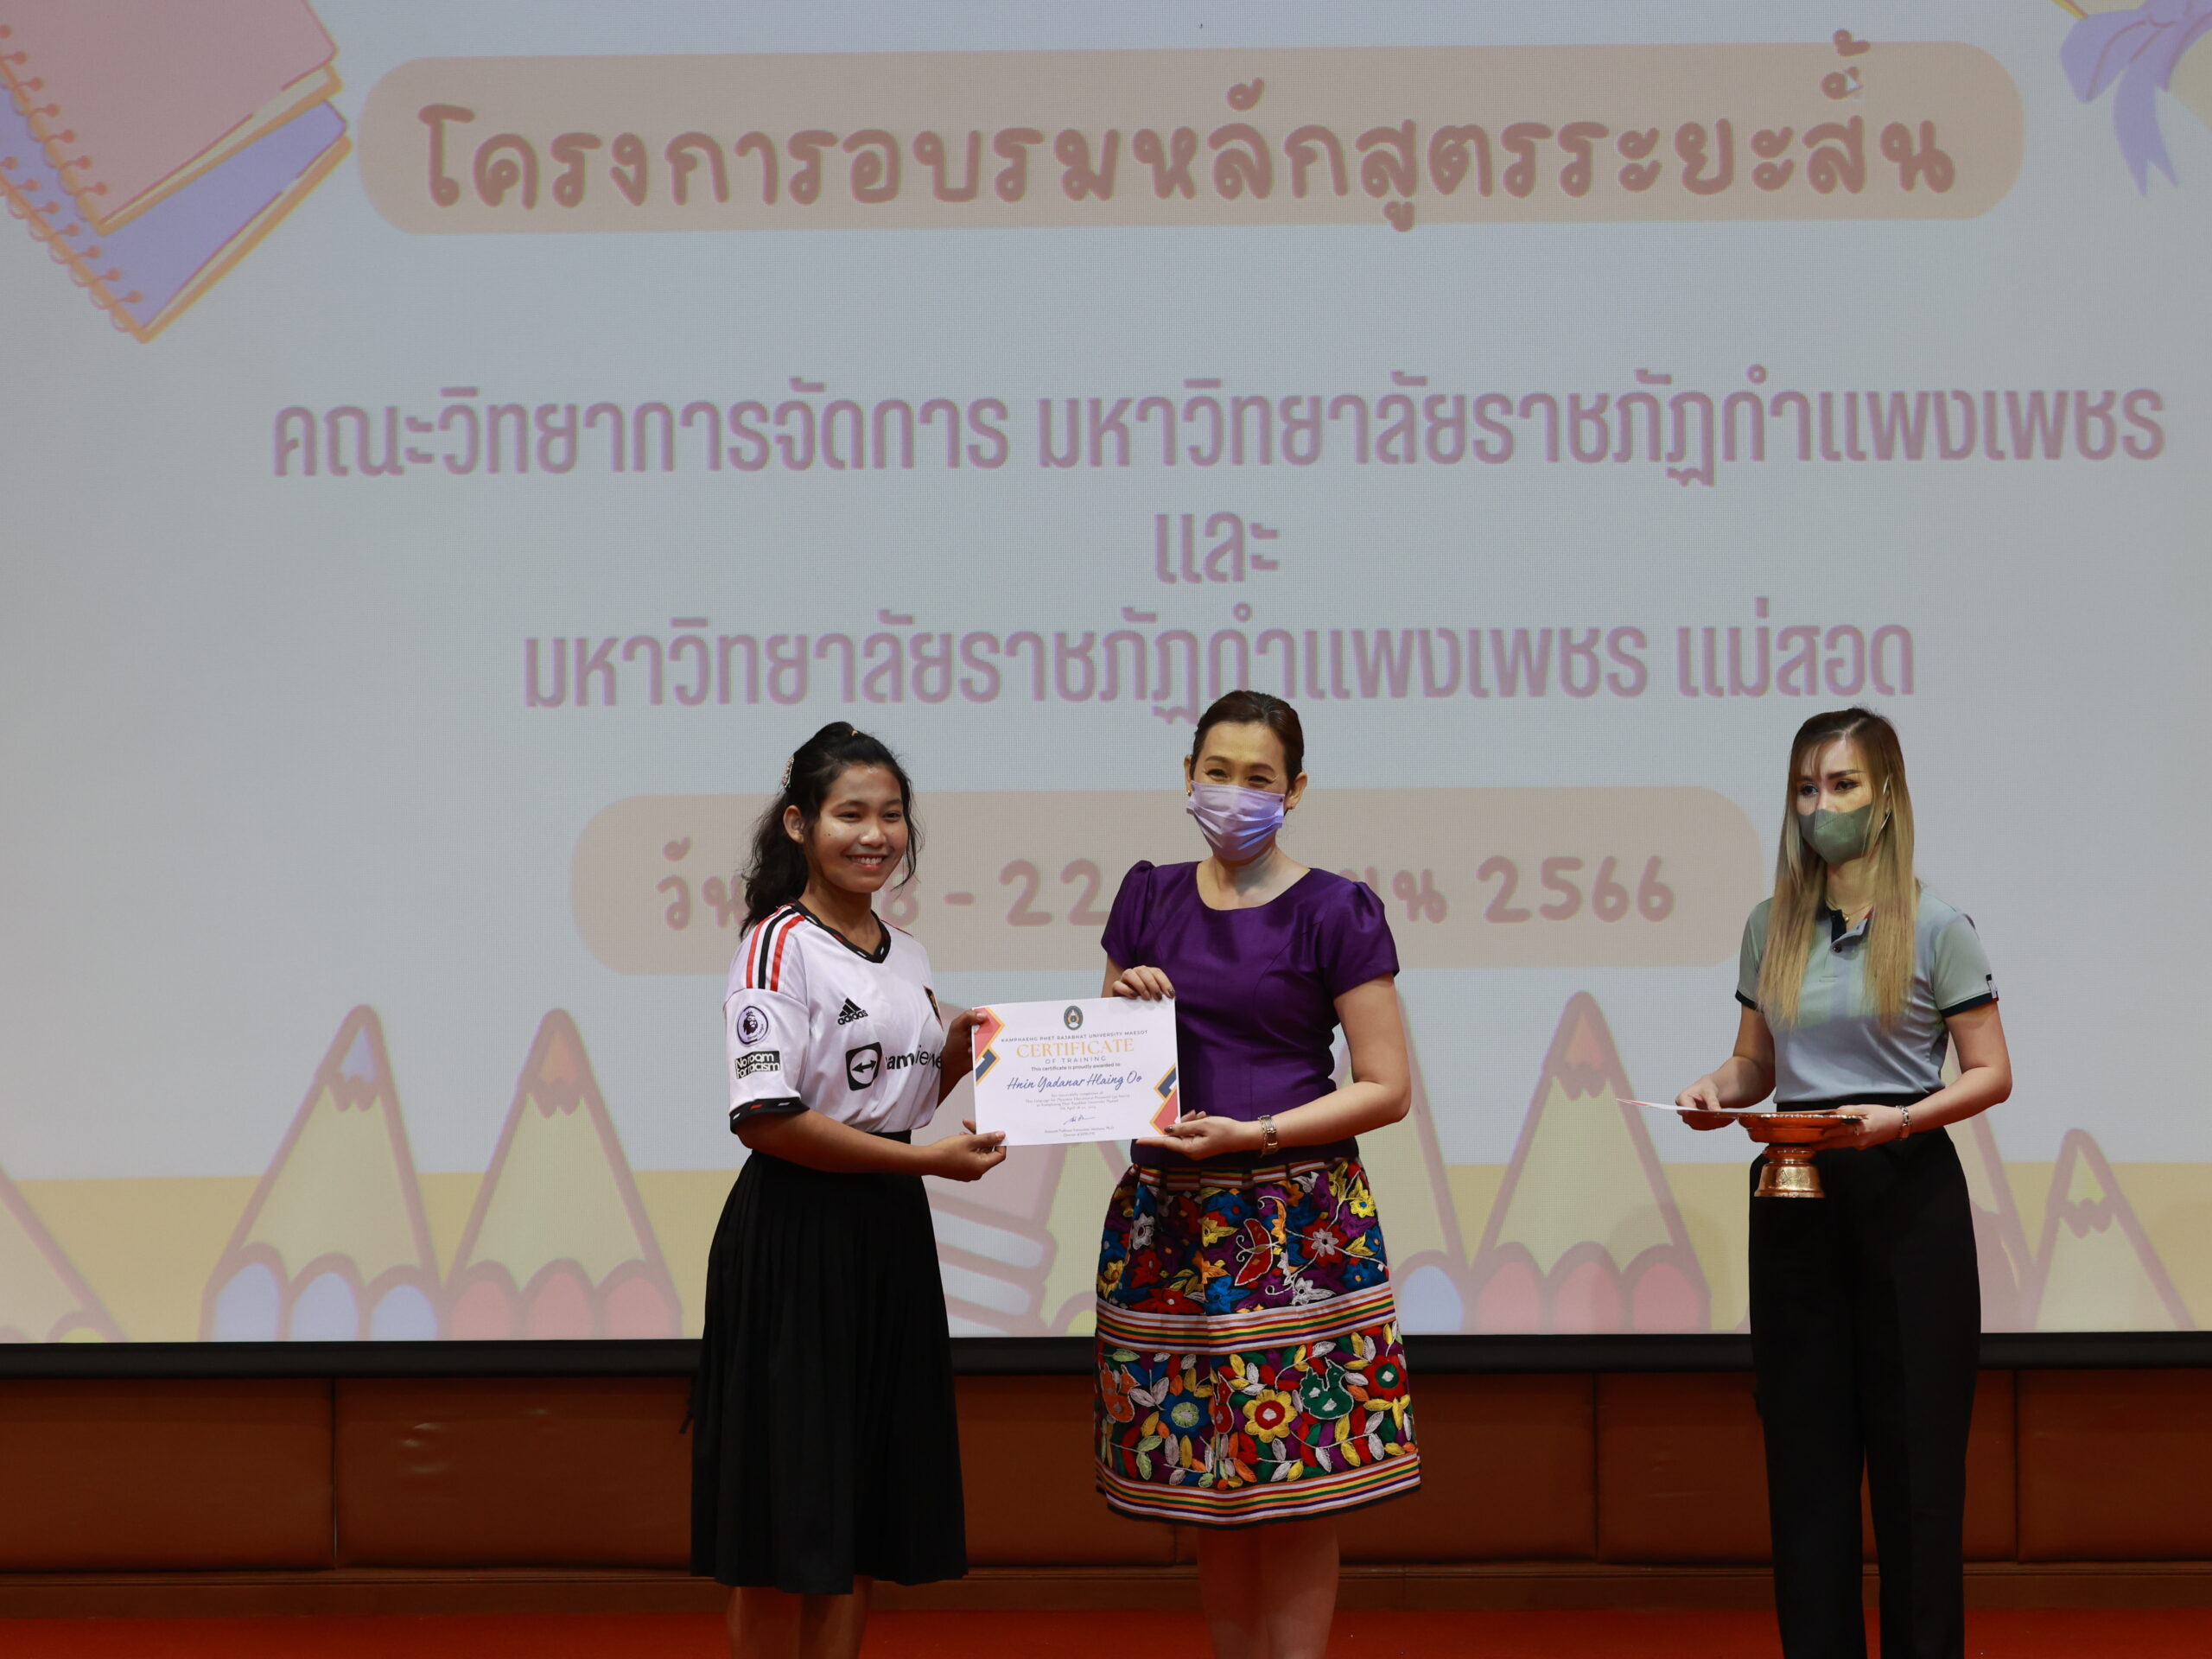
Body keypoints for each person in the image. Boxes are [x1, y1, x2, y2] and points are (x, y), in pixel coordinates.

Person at [1675, 707, 2012, 1659]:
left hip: (1906, 1186)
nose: (1820, 805)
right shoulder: (1770, 925)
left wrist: (1901, 1118)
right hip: (1795, 1194)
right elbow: (1756, 1064)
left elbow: (1991, 1073)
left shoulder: (1938, 925)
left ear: (1886, 796)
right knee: (1806, 1464)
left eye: (1842, 785)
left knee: (1917, 1468)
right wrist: (1715, 1091)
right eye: (1805, 788)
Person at [1093, 690, 1421, 1659]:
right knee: (1208, 1478)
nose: (1233, 793)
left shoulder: (1336, 909)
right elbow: (1108, 1074)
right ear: (1187, 776)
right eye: (1217, 772)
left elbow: (1388, 1088)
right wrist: (1122, 1006)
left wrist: (1257, 1133)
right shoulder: (1146, 896)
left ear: (1296, 790)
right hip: (1169, 1220)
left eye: (1258, 778)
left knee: (1296, 1483)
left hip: (1296, 1223)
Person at [690, 721, 1007, 1659]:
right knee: (779, 1512)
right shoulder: (775, 946)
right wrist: (923, 1163)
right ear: (799, 824)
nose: (876, 836)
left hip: (888, 1233)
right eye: (850, 815)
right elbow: (767, 1119)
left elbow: (896, 1103)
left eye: (892, 816)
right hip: (795, 1234)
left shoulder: (905, 951)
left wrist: (957, 1057)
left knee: (860, 1500)